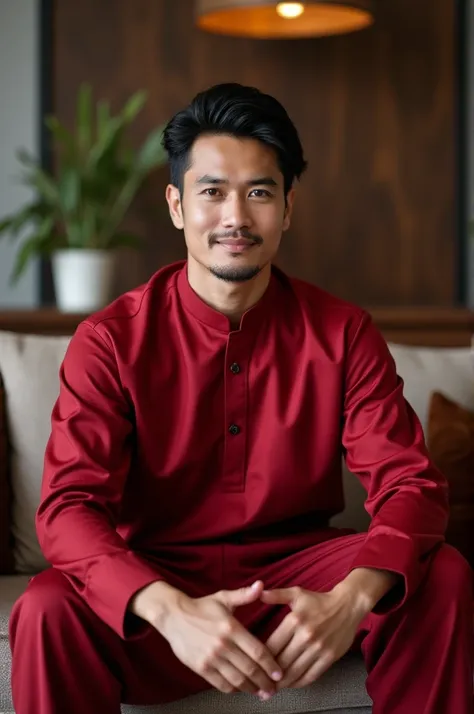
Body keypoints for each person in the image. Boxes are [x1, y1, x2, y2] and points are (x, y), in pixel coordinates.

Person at [9, 83, 473, 714]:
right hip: (159, 584)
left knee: (442, 576)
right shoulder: (109, 341)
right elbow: (67, 507)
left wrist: (353, 598)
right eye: (211, 192)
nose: (235, 216)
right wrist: (168, 609)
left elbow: (411, 486)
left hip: (300, 578)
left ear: (288, 208)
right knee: (46, 608)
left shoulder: (343, 332)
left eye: (259, 192)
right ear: (176, 205)